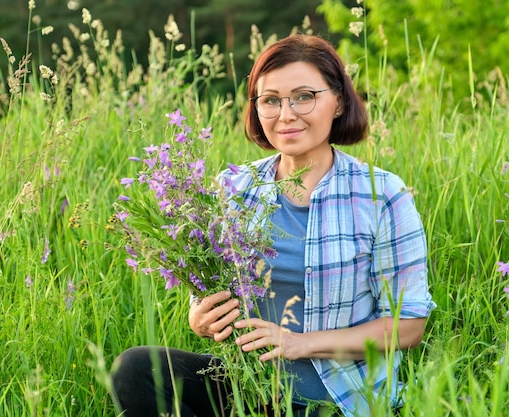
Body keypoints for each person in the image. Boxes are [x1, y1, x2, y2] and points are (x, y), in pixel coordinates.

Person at [111, 34, 435, 417]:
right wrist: (199, 316)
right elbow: (205, 292)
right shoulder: (233, 187)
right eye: (270, 100)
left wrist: (301, 343)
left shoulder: (382, 194)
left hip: (339, 400)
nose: (286, 114)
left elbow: (409, 327)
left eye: (303, 96)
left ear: (338, 102)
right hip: (249, 386)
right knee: (135, 370)